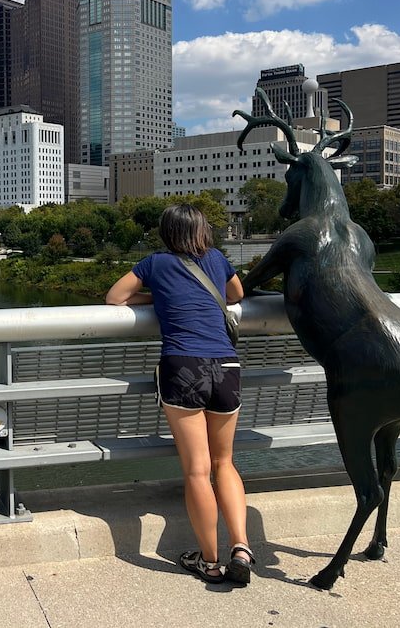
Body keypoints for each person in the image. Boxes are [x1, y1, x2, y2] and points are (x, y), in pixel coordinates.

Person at [105, 203, 254, 585]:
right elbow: (236, 295)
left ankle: (210, 562)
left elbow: (114, 298)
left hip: (183, 367)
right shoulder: (218, 259)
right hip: (226, 366)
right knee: (225, 463)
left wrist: (156, 297)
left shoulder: (155, 264)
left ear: (166, 233)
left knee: (197, 470)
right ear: (203, 230)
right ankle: (241, 546)